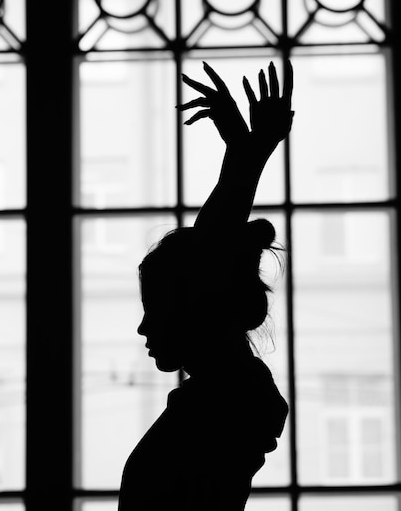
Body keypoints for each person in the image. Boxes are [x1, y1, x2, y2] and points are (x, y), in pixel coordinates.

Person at [118, 59, 294, 510]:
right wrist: (244, 154)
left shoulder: (223, 405)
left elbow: (206, 259)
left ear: (200, 304)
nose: (143, 328)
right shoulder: (231, 399)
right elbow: (206, 260)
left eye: (154, 307)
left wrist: (245, 155)